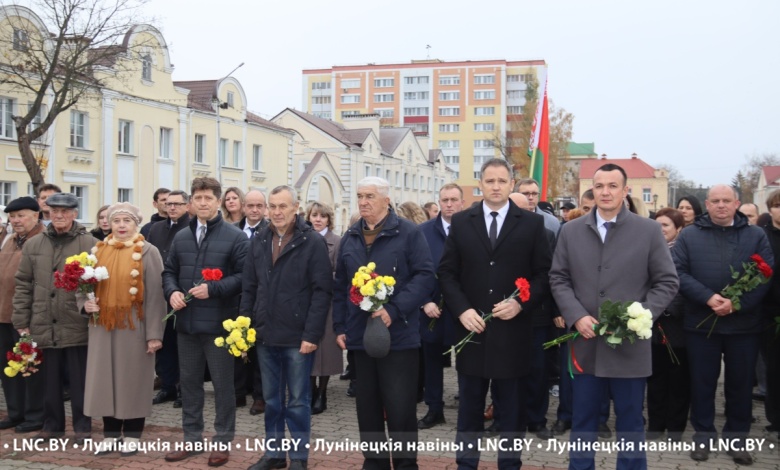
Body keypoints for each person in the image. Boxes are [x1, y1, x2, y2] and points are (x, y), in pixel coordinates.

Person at [550, 163, 679, 470]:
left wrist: (640, 316)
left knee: (631, 421)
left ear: (625, 190)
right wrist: (576, 316)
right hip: (586, 343)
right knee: (582, 422)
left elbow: (667, 281)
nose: (605, 192)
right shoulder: (570, 231)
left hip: (630, 346)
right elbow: (558, 279)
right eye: (599, 186)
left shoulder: (647, 230)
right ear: (591, 190)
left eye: (612, 186)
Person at [439, 158, 552, 469]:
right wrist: (461, 310)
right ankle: (466, 463)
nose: (496, 186)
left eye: (502, 180)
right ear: (480, 184)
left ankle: (510, 463)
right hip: (472, 331)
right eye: (490, 181)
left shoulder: (531, 224)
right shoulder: (462, 222)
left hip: (512, 333)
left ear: (511, 184)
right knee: (470, 407)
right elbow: (447, 273)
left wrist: (521, 304)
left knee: (512, 408)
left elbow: (544, 275)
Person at [333, 176, 435, 470]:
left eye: (369, 196)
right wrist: (340, 327)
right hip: (360, 336)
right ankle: (374, 463)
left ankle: (405, 464)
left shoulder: (408, 233)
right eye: (360, 196)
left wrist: (395, 308)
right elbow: (340, 285)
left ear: (386, 200)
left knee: (400, 406)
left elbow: (425, 275)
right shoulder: (351, 235)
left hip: (399, 336)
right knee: (367, 406)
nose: (363, 202)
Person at [672, 185, 773, 465]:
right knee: (702, 384)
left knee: (739, 386)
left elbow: (766, 273)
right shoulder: (690, 235)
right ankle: (703, 436)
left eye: (726, 201)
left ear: (737, 203)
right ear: (707, 204)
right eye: (715, 201)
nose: (720, 205)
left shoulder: (755, 235)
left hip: (743, 327)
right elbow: (677, 271)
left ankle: (736, 440)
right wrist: (708, 297)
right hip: (701, 325)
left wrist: (737, 303)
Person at [242, 186, 332, 470]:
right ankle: (275, 455)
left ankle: (299, 458)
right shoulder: (259, 239)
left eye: (283, 206)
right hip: (265, 334)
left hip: (297, 338)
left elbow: (322, 292)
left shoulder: (312, 242)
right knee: (271, 400)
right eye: (273, 206)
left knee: (297, 402)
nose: (277, 212)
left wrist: (311, 334)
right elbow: (249, 286)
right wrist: (245, 326)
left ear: (296, 207)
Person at [162, 177, 249, 467]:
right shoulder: (182, 237)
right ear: (191, 202)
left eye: (208, 198)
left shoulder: (235, 237)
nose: (202, 203)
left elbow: (243, 278)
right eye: (197, 198)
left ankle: (222, 441)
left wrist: (214, 288)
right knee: (188, 385)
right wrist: (172, 291)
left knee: (223, 387)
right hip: (186, 326)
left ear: (218, 201)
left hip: (219, 328)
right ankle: (192, 439)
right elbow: (169, 271)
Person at [13, 192, 97, 443]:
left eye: (65, 212)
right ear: (48, 214)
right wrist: (21, 320)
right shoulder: (33, 244)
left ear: (74, 214)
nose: (59, 216)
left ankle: (83, 427)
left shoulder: (90, 243)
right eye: (54, 212)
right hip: (43, 318)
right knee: (48, 380)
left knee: (79, 379)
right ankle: (52, 426)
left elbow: (97, 284)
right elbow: (23, 283)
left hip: (76, 319)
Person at [82, 203, 165, 455]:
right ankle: (109, 434)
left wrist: (153, 335)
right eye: (116, 221)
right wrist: (85, 304)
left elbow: (155, 296)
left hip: (134, 325)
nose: (120, 226)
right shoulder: (96, 251)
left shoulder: (148, 251)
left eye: (126, 221)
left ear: (135, 224)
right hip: (102, 326)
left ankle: (131, 434)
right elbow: (83, 286)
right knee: (105, 381)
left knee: (132, 380)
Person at [417, 183, 464, 430]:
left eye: (454, 199)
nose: (449, 204)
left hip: (465, 311)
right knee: (432, 362)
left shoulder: (473, 229)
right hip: (432, 309)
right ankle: (434, 409)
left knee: (466, 363)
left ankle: (468, 412)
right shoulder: (423, 232)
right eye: (444, 199)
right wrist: (424, 301)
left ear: (462, 202)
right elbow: (414, 270)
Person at [0, 197, 45, 434]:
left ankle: (35, 415)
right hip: (4, 314)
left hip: (28, 317)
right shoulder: (10, 239)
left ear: (36, 216)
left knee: (30, 368)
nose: (15, 220)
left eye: (21, 215)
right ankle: (15, 412)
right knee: (8, 367)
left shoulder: (42, 240)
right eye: (12, 216)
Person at [646, 208, 689, 441]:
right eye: (658, 224)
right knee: (656, 378)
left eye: (666, 226)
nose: (661, 229)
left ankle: (675, 427)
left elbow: (685, 285)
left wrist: (668, 309)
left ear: (679, 229)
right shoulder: (648, 249)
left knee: (679, 378)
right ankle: (655, 424)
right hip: (653, 323)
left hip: (678, 325)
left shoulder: (684, 252)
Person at [147, 190, 191, 409]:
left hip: (182, 293)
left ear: (187, 206)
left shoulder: (191, 227)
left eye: (177, 204)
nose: (171, 207)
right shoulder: (156, 229)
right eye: (168, 203)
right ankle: (167, 386)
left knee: (182, 345)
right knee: (163, 343)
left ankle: (184, 389)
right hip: (158, 293)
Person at [234, 189, 269, 415]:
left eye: (259, 206)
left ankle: (260, 396)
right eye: (251, 205)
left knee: (258, 352)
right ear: (243, 206)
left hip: (261, 298)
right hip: (234, 296)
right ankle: (237, 393)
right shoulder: (232, 231)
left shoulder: (271, 232)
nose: (255, 210)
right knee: (236, 345)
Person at [305, 201, 342, 416]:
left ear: (329, 219)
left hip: (328, 303)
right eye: (314, 215)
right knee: (307, 346)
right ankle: (310, 390)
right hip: (306, 303)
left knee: (326, 351)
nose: (318, 219)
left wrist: (321, 279)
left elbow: (340, 273)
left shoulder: (336, 242)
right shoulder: (304, 239)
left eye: (323, 216)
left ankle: (322, 392)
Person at [760, 190, 780, 440]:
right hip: (769, 314)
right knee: (773, 368)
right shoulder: (763, 237)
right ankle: (775, 419)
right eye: (777, 205)